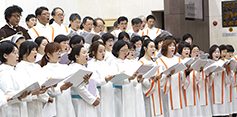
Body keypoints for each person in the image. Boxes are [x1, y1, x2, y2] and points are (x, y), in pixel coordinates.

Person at [16, 41, 51, 117]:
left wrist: (48, 87)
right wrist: (36, 92)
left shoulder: (37, 66)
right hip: (29, 103)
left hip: (40, 102)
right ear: (24, 53)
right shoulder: (20, 67)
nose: (36, 52)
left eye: (36, 50)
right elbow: (25, 86)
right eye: (33, 50)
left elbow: (43, 81)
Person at [40, 42, 74, 117]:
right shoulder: (44, 70)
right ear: (48, 54)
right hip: (54, 105)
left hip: (67, 102)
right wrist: (60, 89)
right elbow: (46, 90)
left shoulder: (66, 67)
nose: (59, 54)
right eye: (56, 51)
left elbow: (74, 83)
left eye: (60, 51)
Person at [68, 44, 99, 117]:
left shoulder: (86, 68)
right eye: (84, 53)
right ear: (77, 56)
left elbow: (93, 83)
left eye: (86, 53)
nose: (87, 55)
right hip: (80, 102)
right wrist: (92, 100)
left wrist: (97, 96)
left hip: (89, 101)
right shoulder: (73, 68)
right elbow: (78, 87)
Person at [0, 42, 30, 117]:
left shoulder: (14, 70)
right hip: (11, 111)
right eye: (14, 53)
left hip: (21, 109)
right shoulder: (4, 72)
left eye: (17, 53)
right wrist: (19, 96)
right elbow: (8, 94)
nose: (17, 56)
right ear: (5, 55)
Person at [157, 39, 186, 117]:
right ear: (165, 47)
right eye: (170, 46)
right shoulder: (160, 60)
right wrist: (168, 75)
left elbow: (182, 75)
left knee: (179, 110)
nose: (172, 47)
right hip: (168, 89)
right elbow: (160, 76)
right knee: (168, 110)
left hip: (177, 88)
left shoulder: (178, 59)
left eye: (173, 45)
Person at [87, 41, 115, 117]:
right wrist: (105, 80)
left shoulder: (105, 63)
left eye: (104, 51)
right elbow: (93, 82)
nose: (103, 53)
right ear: (93, 52)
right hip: (100, 93)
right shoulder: (91, 64)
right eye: (100, 51)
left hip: (109, 93)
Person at [138, 39, 164, 117]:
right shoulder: (141, 62)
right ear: (145, 48)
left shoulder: (156, 62)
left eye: (154, 47)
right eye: (151, 47)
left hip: (158, 93)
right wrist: (153, 79)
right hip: (149, 95)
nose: (154, 49)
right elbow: (141, 80)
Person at [178, 41, 202, 117]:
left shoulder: (192, 60)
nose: (187, 51)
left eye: (188, 49)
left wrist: (199, 71)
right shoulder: (178, 61)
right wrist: (187, 72)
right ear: (180, 50)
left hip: (192, 87)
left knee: (194, 109)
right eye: (184, 49)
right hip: (182, 89)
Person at [208, 45, 230, 116]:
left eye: (218, 52)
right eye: (215, 52)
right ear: (211, 53)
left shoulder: (222, 63)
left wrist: (226, 69)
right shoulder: (208, 63)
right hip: (212, 89)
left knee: (223, 112)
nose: (217, 54)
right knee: (214, 111)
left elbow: (227, 79)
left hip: (222, 88)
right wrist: (210, 74)